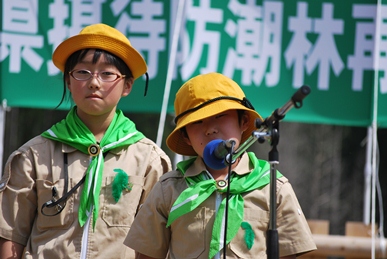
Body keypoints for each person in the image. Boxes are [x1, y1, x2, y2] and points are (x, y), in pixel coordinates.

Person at [0, 23, 172, 259]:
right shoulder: (32, 155)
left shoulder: (150, 160)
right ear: (68, 81)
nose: (94, 82)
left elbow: (155, 245)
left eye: (107, 73)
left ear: (127, 85)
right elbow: (11, 236)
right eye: (82, 72)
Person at [124, 72, 317, 258]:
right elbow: (147, 255)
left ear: (243, 121)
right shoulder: (168, 189)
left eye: (219, 116)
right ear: (186, 136)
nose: (209, 129)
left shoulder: (272, 186)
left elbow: (289, 253)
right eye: (197, 122)